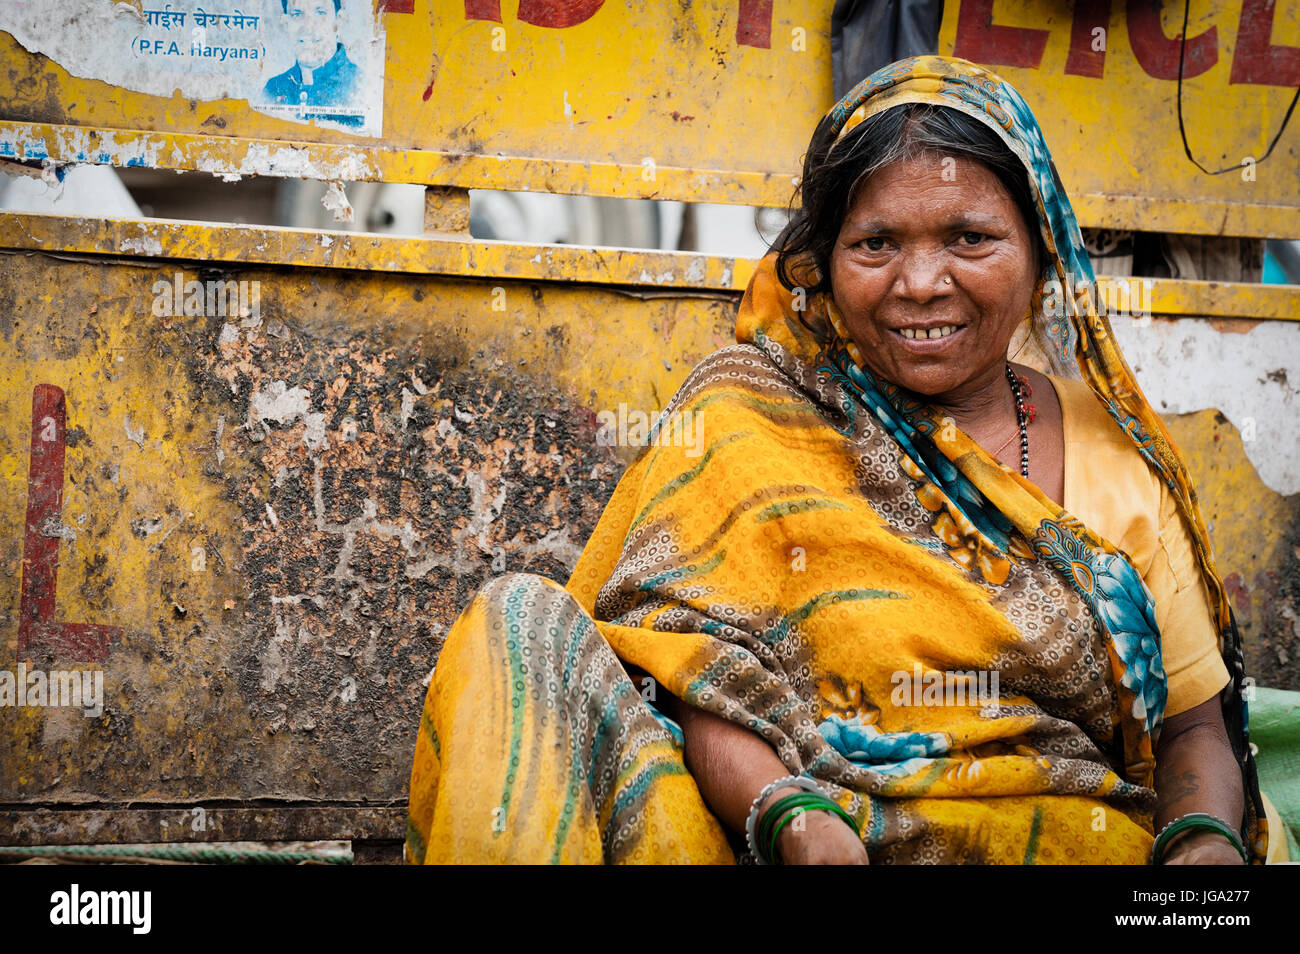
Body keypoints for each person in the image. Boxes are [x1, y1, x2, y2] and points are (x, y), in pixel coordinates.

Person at [405, 55, 1267, 864]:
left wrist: (1202, 849)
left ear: (1041, 251)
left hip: (1050, 839)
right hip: (793, 835)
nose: (922, 282)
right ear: (818, 265)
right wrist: (791, 813)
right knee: (519, 624)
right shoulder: (746, 412)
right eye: (876, 244)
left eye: (970, 238)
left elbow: (1193, 727)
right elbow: (695, 675)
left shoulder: (1110, 449)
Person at [262, 0, 359, 113]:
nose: (308, 28)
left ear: (338, 21)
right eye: (296, 14)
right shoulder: (273, 89)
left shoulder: (360, 85)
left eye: (320, 13)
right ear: (285, 23)